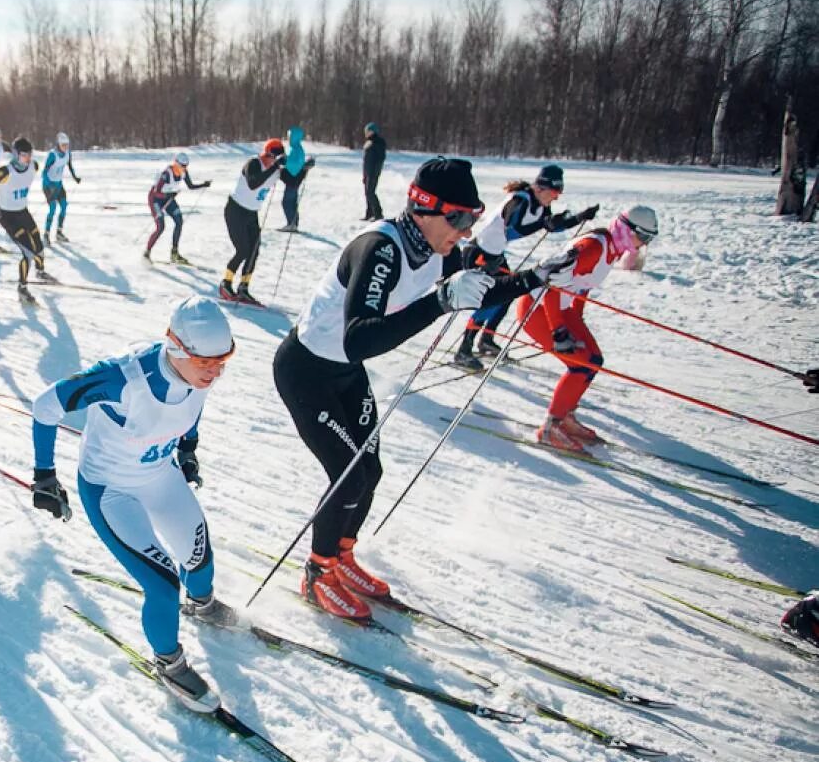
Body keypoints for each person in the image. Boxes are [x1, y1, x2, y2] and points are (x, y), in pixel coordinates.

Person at [274, 157, 575, 619]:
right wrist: (437, 302)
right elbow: (361, 337)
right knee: (348, 473)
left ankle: (342, 556)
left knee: (371, 470)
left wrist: (536, 277)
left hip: (345, 373)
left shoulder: (441, 251)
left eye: (472, 218)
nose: (465, 230)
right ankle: (316, 573)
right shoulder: (380, 249)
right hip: (306, 371)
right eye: (458, 218)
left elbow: (477, 288)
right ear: (424, 209)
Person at [30, 296, 241, 711]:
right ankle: (169, 662)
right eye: (207, 362)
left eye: (224, 360)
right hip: (112, 490)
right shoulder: (123, 377)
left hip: (161, 475)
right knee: (163, 585)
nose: (216, 371)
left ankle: (204, 606)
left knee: (199, 559)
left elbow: (191, 408)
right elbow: (45, 406)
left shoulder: (197, 373)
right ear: (178, 348)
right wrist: (44, 477)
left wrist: (189, 448)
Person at [517, 206, 658, 452]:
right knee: (580, 364)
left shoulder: (613, 248)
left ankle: (567, 416)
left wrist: (577, 321)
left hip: (560, 308)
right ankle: (550, 428)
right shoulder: (594, 246)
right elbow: (552, 285)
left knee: (594, 359)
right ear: (627, 229)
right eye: (643, 237)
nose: (643, 244)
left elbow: (583, 286)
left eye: (649, 239)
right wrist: (559, 331)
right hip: (538, 308)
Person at [453, 165, 600, 370]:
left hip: (495, 255)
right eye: (555, 192)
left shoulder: (540, 204)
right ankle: (463, 350)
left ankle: (486, 340)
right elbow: (513, 230)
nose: (556, 198)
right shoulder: (520, 200)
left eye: (559, 193)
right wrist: (544, 224)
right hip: (478, 254)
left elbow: (551, 226)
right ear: (541, 188)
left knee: (506, 296)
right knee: (490, 301)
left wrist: (580, 217)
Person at [0, 136, 57, 303]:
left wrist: (48, 195)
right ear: (16, 154)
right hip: (7, 216)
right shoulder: (5, 172)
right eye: (24, 155)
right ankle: (22, 288)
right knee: (28, 253)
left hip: (23, 213)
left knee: (39, 247)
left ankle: (40, 271)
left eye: (30, 154)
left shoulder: (33, 166)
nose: (28, 158)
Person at [219, 138, 285, 306]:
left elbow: (292, 182)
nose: (271, 162)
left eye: (275, 159)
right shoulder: (253, 163)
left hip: (251, 213)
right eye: (270, 158)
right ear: (266, 154)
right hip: (235, 210)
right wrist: (276, 167)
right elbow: (253, 183)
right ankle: (225, 283)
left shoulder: (275, 170)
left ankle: (244, 287)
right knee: (242, 250)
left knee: (254, 251)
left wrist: (303, 170)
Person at [145, 152, 211, 264]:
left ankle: (174, 253)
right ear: (176, 163)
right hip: (155, 199)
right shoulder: (166, 174)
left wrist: (203, 185)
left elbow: (190, 186)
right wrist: (167, 195)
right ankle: (147, 253)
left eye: (186, 166)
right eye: (182, 166)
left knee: (179, 221)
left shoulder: (184, 172)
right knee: (160, 227)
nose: (184, 168)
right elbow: (156, 192)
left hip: (168, 198)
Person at [41, 132, 80, 243]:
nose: (65, 147)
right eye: (63, 145)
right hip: (48, 185)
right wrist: (49, 186)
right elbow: (44, 172)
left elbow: (70, 166)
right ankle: (46, 234)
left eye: (67, 145)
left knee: (63, 206)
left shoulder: (68, 154)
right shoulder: (53, 155)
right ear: (58, 144)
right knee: (53, 208)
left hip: (58, 185)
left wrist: (75, 177)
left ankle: (59, 232)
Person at [275, 126, 315, 233]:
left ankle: (291, 224)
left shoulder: (296, 149)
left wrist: (284, 163)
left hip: (293, 180)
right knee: (291, 202)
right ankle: (293, 223)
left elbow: (295, 166)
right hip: (294, 180)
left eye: (290, 136)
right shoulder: (296, 148)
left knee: (287, 202)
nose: (288, 138)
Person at [361, 122, 386, 221]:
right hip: (367, 172)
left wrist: (374, 172)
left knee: (371, 193)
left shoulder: (378, 143)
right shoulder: (369, 142)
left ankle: (378, 214)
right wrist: (364, 174)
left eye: (367, 131)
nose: (366, 133)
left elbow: (380, 159)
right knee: (367, 193)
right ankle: (369, 213)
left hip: (373, 173)